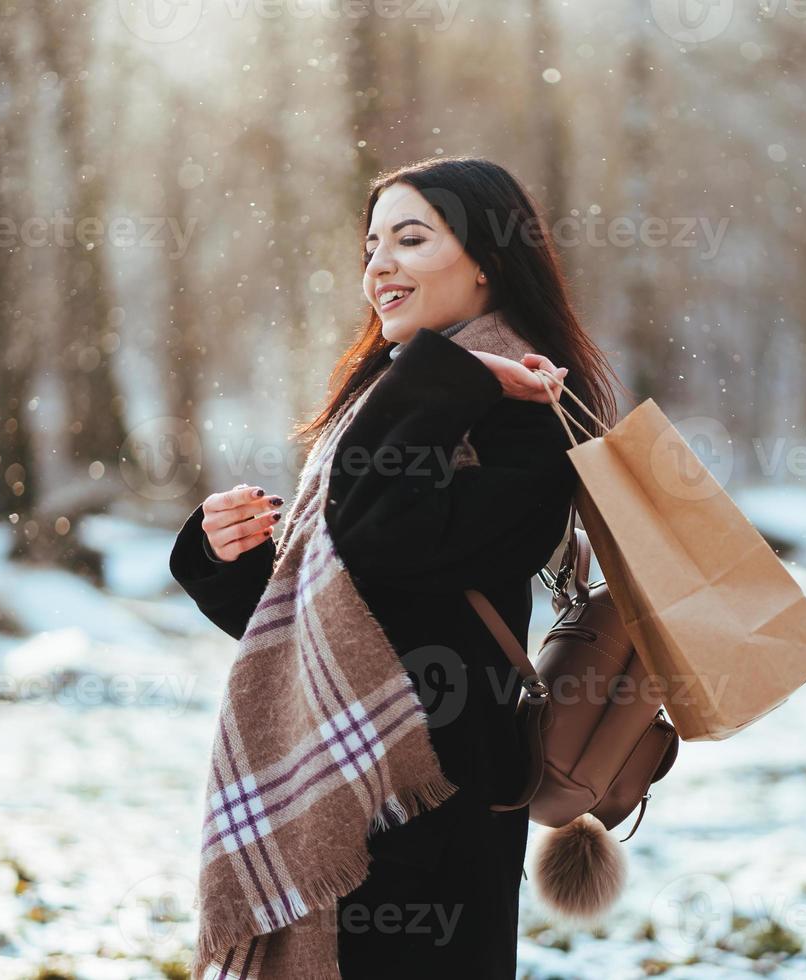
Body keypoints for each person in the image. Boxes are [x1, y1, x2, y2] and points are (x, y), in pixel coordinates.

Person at [170, 155, 620, 978]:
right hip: (347, 775)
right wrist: (222, 555)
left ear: (487, 260)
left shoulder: (522, 414)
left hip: (432, 783)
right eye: (371, 246)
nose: (379, 266)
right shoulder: (394, 400)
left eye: (411, 240)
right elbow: (330, 610)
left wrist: (450, 381)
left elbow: (385, 544)